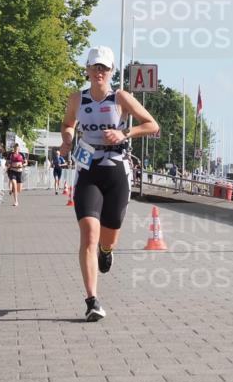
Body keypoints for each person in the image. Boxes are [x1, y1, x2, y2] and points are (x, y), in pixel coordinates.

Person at [60, 45, 159, 321]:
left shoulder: (120, 98)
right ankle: (92, 301)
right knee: (88, 235)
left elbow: (152, 124)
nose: (99, 72)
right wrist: (68, 138)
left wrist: (124, 132)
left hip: (116, 171)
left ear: (111, 71)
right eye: (95, 67)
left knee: (109, 233)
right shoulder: (77, 99)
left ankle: (108, 251)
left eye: (104, 68)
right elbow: (67, 124)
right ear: (88, 70)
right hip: (88, 170)